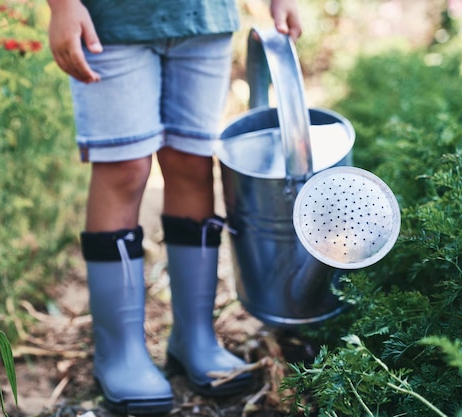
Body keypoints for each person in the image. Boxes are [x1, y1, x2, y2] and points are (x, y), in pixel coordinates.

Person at [46, 0, 302, 414]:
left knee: (192, 163)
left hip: (204, 16)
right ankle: (119, 352)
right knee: (124, 167)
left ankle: (194, 337)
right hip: (109, 20)